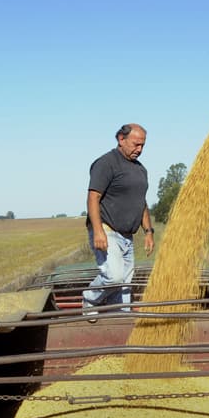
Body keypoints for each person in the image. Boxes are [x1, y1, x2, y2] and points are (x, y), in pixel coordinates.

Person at [83, 123, 155, 312]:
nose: (139, 149)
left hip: (127, 236)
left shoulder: (140, 170)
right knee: (114, 277)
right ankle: (90, 299)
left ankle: (119, 316)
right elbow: (93, 197)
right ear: (121, 139)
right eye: (136, 144)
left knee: (125, 284)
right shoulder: (106, 163)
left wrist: (148, 231)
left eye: (143, 146)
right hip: (108, 230)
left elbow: (142, 203)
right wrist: (98, 231)